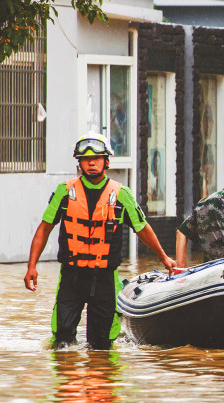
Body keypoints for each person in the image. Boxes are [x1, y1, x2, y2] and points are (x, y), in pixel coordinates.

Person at [23, 133, 176, 349]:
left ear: (106, 161)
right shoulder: (65, 192)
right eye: (86, 159)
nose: (91, 163)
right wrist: (31, 266)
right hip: (71, 277)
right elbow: (44, 228)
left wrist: (163, 257)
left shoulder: (121, 194)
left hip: (105, 279)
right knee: (62, 342)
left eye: (96, 158)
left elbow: (142, 229)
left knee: (101, 346)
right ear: (79, 163)